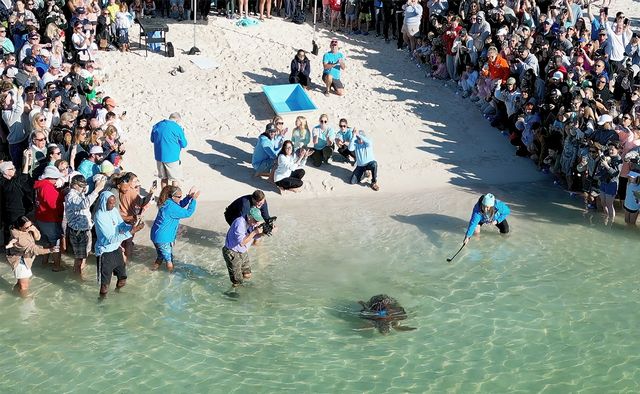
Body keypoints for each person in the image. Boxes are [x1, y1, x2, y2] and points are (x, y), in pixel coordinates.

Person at [94, 190, 144, 298]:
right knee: (105, 286)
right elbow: (111, 239)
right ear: (103, 202)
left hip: (116, 249)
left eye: (113, 202)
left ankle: (117, 295)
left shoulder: (114, 211)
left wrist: (133, 226)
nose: (112, 205)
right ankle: (101, 304)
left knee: (123, 278)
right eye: (110, 203)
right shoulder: (99, 216)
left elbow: (121, 226)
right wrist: (132, 232)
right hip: (105, 252)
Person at [149, 185, 199, 272]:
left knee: (160, 256)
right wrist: (194, 200)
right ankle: (171, 276)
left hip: (155, 236)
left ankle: (153, 270)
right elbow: (188, 213)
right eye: (179, 197)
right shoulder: (172, 207)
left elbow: (180, 205)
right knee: (169, 260)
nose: (180, 198)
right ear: (172, 196)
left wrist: (188, 197)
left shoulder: (167, 202)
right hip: (163, 238)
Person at [5, 217, 58, 297]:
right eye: (27, 227)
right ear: (20, 227)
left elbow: (38, 237)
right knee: (24, 287)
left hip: (25, 260)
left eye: (31, 225)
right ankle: (25, 303)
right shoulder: (19, 239)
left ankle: (13, 294)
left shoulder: (27, 229)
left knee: (20, 283)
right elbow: (35, 250)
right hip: (21, 262)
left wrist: (33, 229)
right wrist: (50, 250)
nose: (29, 228)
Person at [65, 174, 106, 273]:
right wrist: (96, 190)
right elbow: (84, 204)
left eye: (84, 186)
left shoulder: (79, 193)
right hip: (78, 232)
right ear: (74, 185)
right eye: (82, 186)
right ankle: (77, 276)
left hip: (85, 230)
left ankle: (80, 273)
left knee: (83, 256)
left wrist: (100, 181)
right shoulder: (71, 195)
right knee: (79, 258)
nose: (84, 189)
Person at [222, 207, 264, 287]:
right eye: (255, 220)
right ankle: (235, 292)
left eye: (258, 220)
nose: (256, 223)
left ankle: (243, 287)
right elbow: (242, 242)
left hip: (243, 251)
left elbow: (255, 237)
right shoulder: (240, 223)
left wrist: (264, 232)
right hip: (232, 252)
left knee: (247, 274)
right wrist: (255, 232)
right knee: (237, 281)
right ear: (249, 217)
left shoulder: (253, 223)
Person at [33, 166, 65, 271]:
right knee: (55, 242)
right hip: (50, 219)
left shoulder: (39, 185)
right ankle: (56, 266)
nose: (57, 180)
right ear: (50, 178)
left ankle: (44, 262)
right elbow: (53, 205)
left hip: (40, 217)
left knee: (45, 241)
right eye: (56, 178)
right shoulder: (47, 187)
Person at [150, 112, 188, 189]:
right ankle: (174, 197)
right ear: (177, 121)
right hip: (172, 158)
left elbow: (152, 139)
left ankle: (164, 197)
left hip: (159, 157)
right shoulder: (177, 128)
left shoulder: (157, 125)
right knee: (175, 179)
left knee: (164, 178)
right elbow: (184, 144)